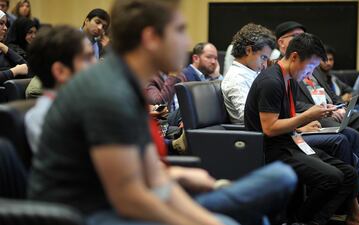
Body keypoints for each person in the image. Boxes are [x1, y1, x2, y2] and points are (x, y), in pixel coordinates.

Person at [28, 1, 297, 225]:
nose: (188, 41)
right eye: (180, 30)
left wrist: (202, 212)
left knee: (279, 179)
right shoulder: (107, 92)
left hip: (133, 201)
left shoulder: (126, 85)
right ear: (151, 38)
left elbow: (154, 179)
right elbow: (129, 197)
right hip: (91, 214)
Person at [245, 32, 359, 225]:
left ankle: (306, 220)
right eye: (311, 66)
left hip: (290, 141)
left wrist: (309, 120)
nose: (311, 72)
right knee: (333, 178)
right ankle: (302, 220)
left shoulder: (289, 80)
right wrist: (307, 115)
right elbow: (270, 128)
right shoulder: (271, 82)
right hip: (272, 149)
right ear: (295, 56)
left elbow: (285, 118)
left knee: (348, 173)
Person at [25, 25, 96, 154]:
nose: (96, 64)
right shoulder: (42, 117)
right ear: (60, 71)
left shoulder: (85, 104)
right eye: (87, 58)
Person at [0, 9, 27, 84]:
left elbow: (26, 67)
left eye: (5, 24)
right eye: (1, 23)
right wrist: (14, 71)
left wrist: (4, 48)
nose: (5, 28)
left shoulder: (4, 48)